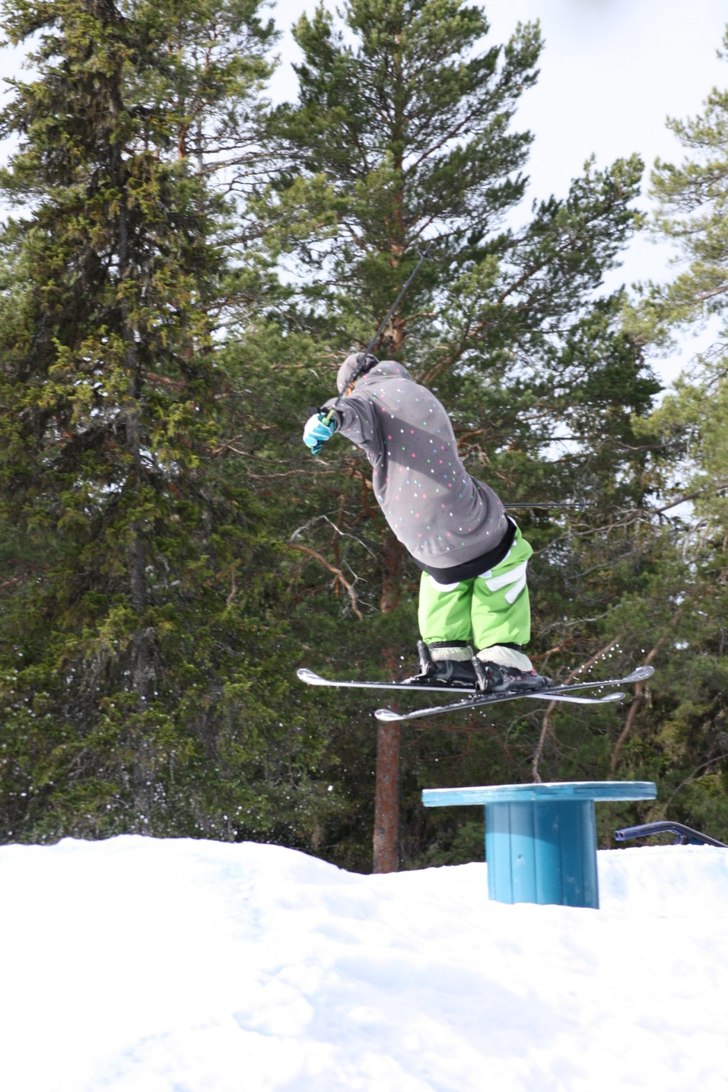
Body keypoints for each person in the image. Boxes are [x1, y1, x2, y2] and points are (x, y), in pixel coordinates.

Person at [302, 352, 550, 692]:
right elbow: (353, 408)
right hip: (459, 513)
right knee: (507, 550)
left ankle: (447, 658)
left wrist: (328, 418)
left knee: (443, 573)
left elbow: (351, 410)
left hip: (413, 532)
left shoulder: (365, 397)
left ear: (351, 383)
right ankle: (503, 662)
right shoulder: (414, 391)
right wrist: (333, 413)